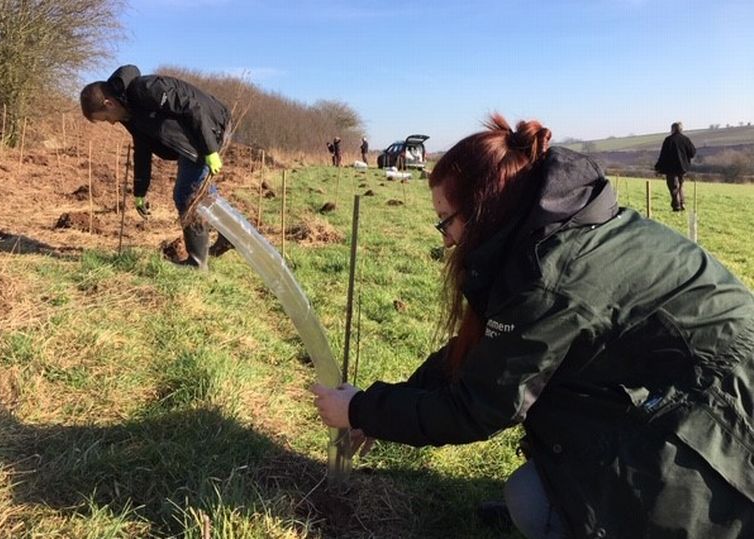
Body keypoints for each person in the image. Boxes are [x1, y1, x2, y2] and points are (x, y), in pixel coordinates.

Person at [311, 114, 754, 538]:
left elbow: (480, 405)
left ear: (484, 210)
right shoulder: (560, 225)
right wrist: (388, 402)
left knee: (530, 501)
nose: (443, 238)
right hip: (682, 386)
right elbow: (493, 353)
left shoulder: (550, 275)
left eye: (445, 221)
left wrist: (360, 411)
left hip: (722, 416)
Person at [80, 65, 232, 270]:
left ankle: (197, 263)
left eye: (106, 118)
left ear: (109, 103)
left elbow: (191, 106)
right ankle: (228, 235)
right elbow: (142, 150)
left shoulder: (145, 90)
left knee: (186, 194)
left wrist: (210, 150)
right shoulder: (128, 114)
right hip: (197, 135)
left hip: (210, 125)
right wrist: (139, 192)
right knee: (200, 191)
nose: (111, 123)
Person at [654, 122, 696, 211]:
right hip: (683, 168)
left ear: (672, 129)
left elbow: (663, 155)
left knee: (673, 187)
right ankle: (682, 202)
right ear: (681, 129)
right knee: (680, 185)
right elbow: (692, 153)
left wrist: (657, 167)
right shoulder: (686, 139)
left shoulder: (668, 140)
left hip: (671, 168)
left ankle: (676, 206)